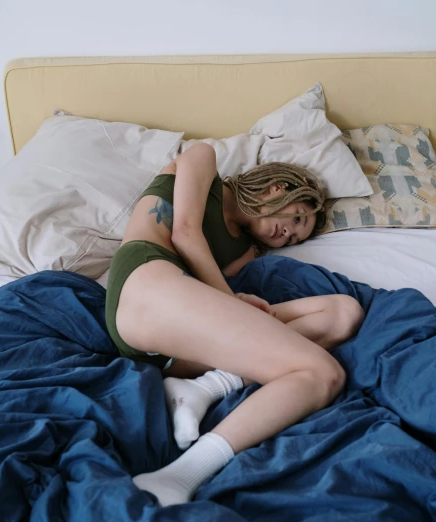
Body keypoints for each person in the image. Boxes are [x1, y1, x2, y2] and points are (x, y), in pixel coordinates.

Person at [106, 143, 364, 506]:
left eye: (295, 238)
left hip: (179, 340)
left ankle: (204, 388)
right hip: (145, 281)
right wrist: (232, 299)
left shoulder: (242, 253)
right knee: (324, 373)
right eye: (296, 220)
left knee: (343, 313)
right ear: (279, 188)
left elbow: (219, 308)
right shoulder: (202, 159)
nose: (288, 235)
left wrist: (236, 301)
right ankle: (181, 474)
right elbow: (184, 233)